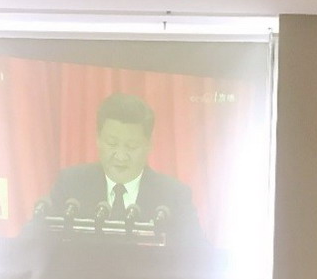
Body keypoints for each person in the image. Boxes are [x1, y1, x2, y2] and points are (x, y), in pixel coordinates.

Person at [44, 92, 205, 245]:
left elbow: (198, 255)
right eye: (112, 144)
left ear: (149, 144)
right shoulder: (71, 184)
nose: (120, 156)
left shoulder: (174, 196)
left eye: (131, 146)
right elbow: (37, 243)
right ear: (98, 139)